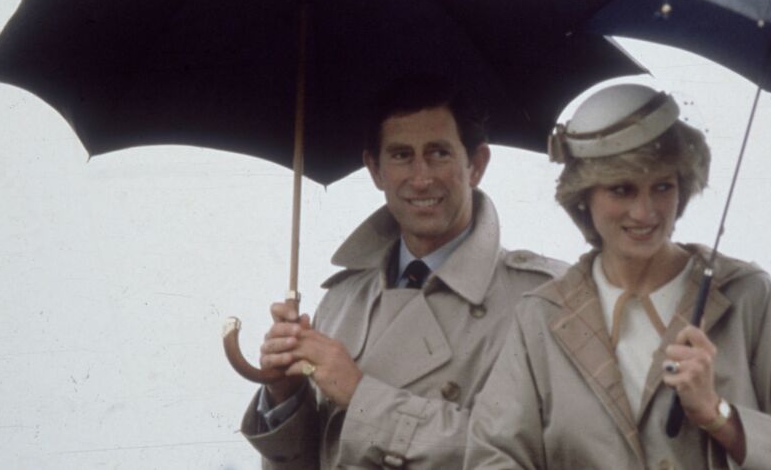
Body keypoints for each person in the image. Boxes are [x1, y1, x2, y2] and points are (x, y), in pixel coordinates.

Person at [465, 83, 771, 469]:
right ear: (583, 197)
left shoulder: (748, 297)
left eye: (662, 186)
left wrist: (718, 415)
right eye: (622, 190)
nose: (644, 213)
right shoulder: (542, 316)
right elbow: (492, 458)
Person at [241, 75, 565, 468]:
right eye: (400, 155)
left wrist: (363, 398)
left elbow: (539, 454)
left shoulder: (541, 302)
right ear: (375, 170)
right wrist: (285, 397)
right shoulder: (342, 301)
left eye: (439, 153)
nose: (421, 177)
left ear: (476, 164)